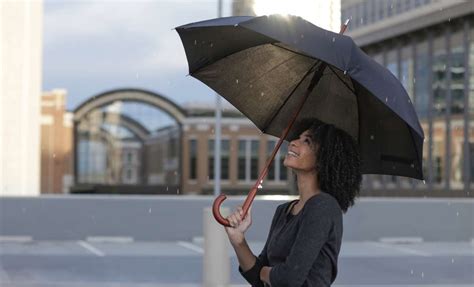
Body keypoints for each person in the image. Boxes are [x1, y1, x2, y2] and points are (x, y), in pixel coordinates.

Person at [224, 119, 362, 287]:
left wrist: (265, 273)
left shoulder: (323, 207)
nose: (294, 143)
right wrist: (238, 240)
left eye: (307, 141)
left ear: (323, 158)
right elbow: (257, 279)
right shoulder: (283, 211)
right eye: (298, 137)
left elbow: (288, 279)